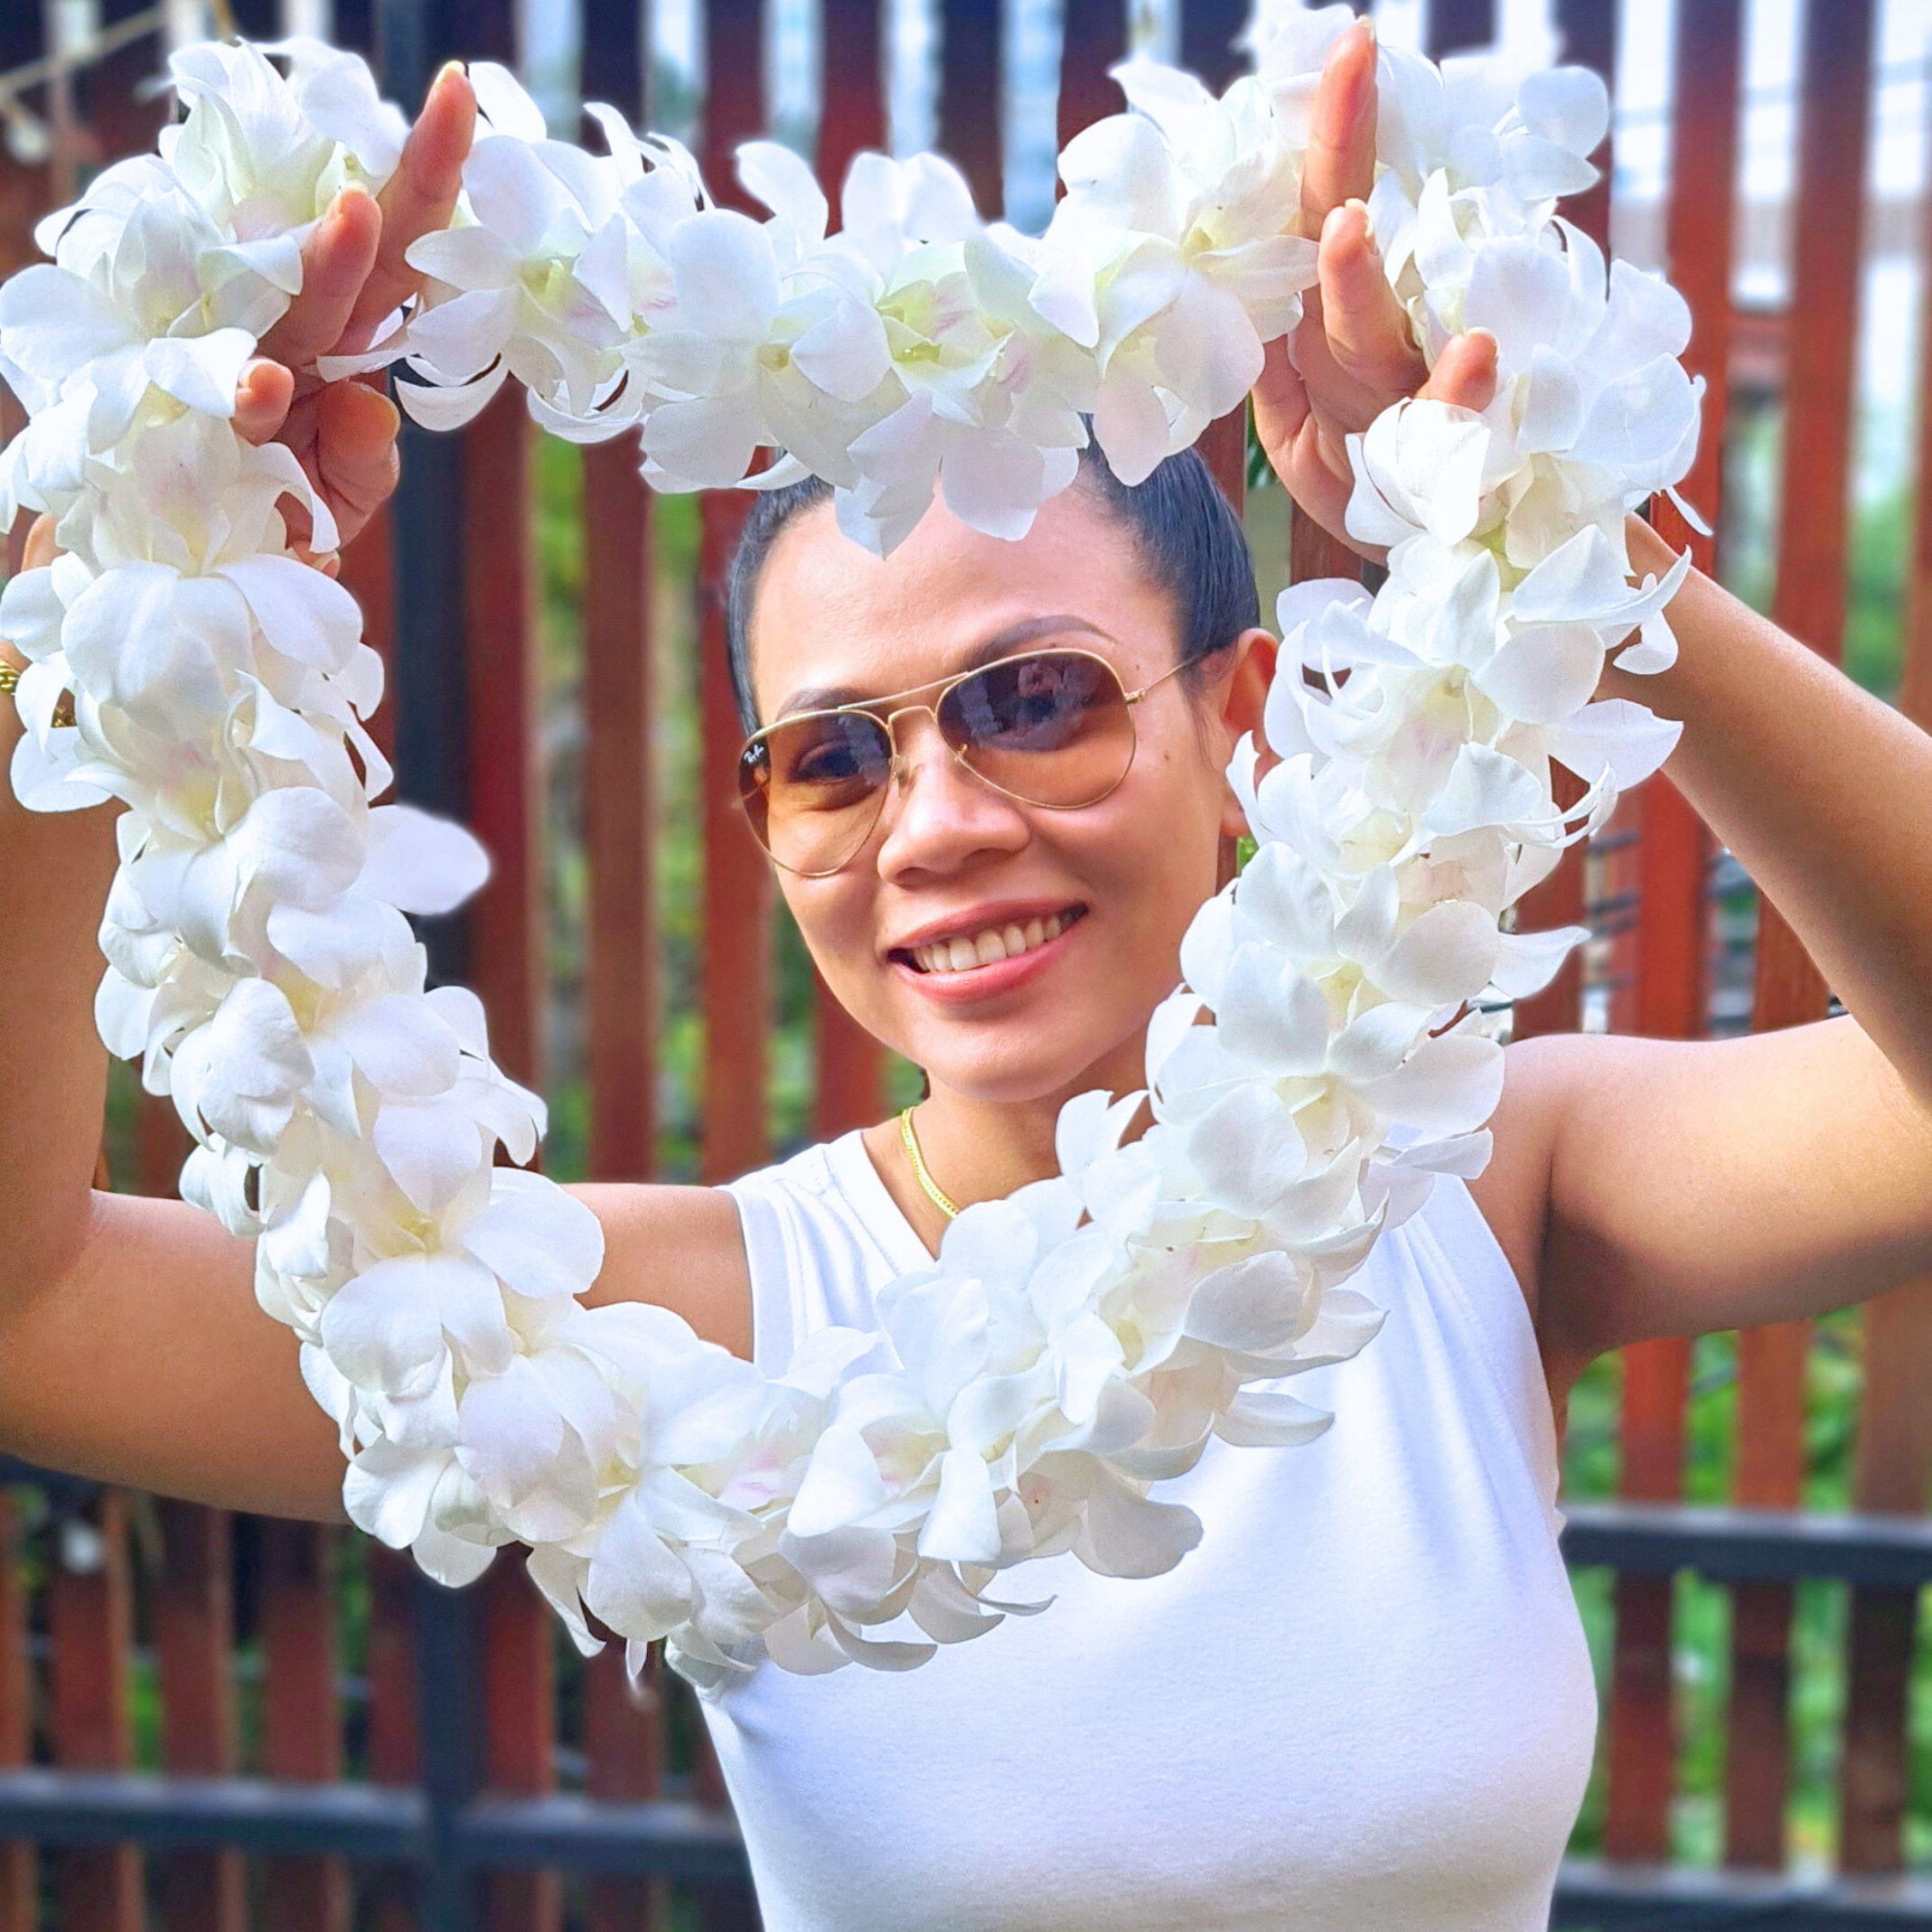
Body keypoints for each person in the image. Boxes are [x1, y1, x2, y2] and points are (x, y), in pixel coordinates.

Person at [4, 21, 1931, 1930]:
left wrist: (1578, 547)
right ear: (768, 827)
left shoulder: (1470, 1182)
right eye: (832, 755)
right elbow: (35, 1304)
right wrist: (101, 576)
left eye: (1036, 700)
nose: (932, 823)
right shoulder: (693, 1318)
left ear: (1241, 713)